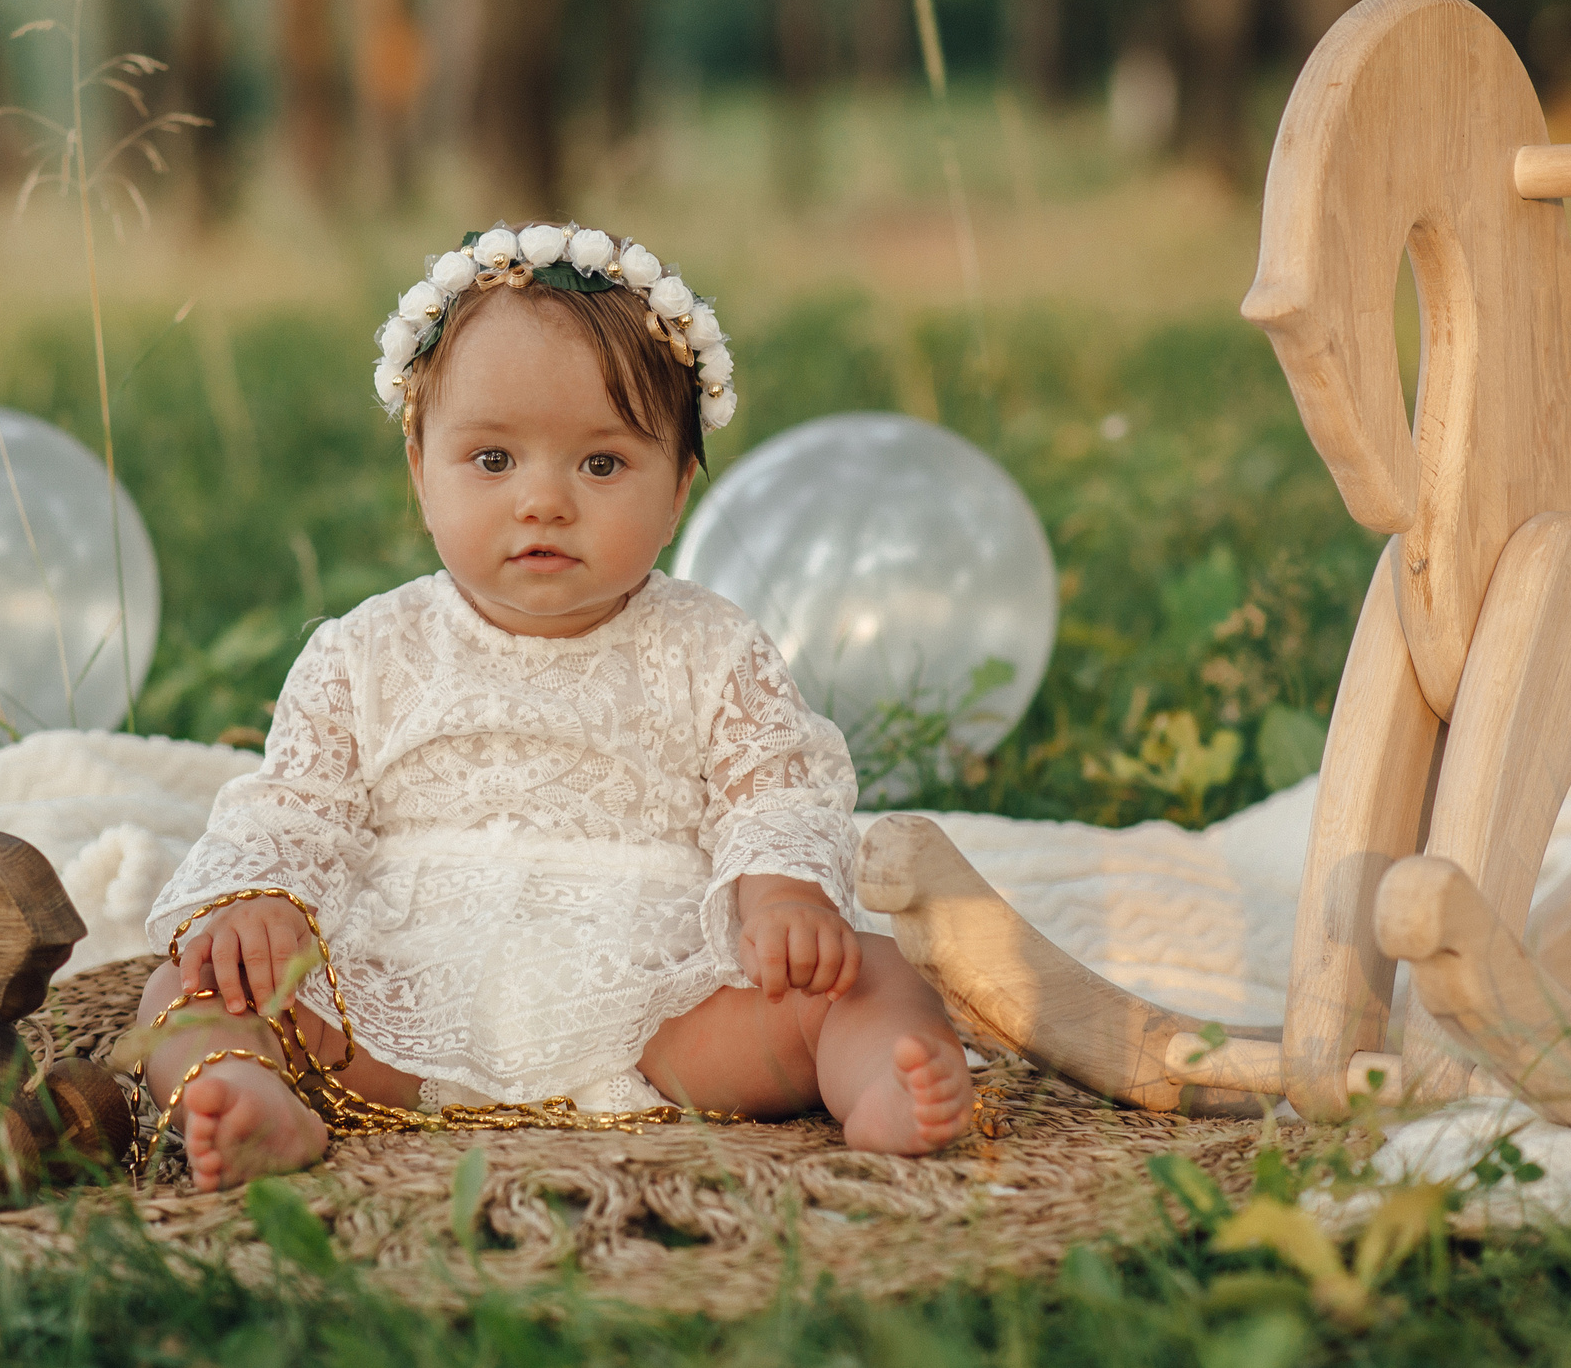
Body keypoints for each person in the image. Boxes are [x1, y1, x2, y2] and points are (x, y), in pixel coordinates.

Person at [132, 222, 973, 1191]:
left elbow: (772, 786)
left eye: (601, 465)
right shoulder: (365, 650)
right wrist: (261, 901)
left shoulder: (710, 644)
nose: (542, 501)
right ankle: (253, 1100)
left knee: (863, 971)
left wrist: (780, 890)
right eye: (492, 461)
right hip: (399, 991)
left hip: (658, 1000)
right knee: (190, 989)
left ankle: (882, 1079)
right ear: (419, 469)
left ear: (677, 491)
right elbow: (292, 803)